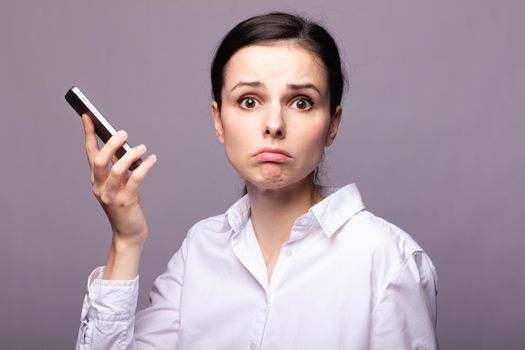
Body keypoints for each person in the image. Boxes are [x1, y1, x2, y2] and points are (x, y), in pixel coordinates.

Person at [75, 12, 438, 350]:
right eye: (249, 101)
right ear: (218, 120)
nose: (274, 124)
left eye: (301, 103)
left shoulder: (388, 260)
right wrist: (126, 240)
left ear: (333, 125)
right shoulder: (200, 250)